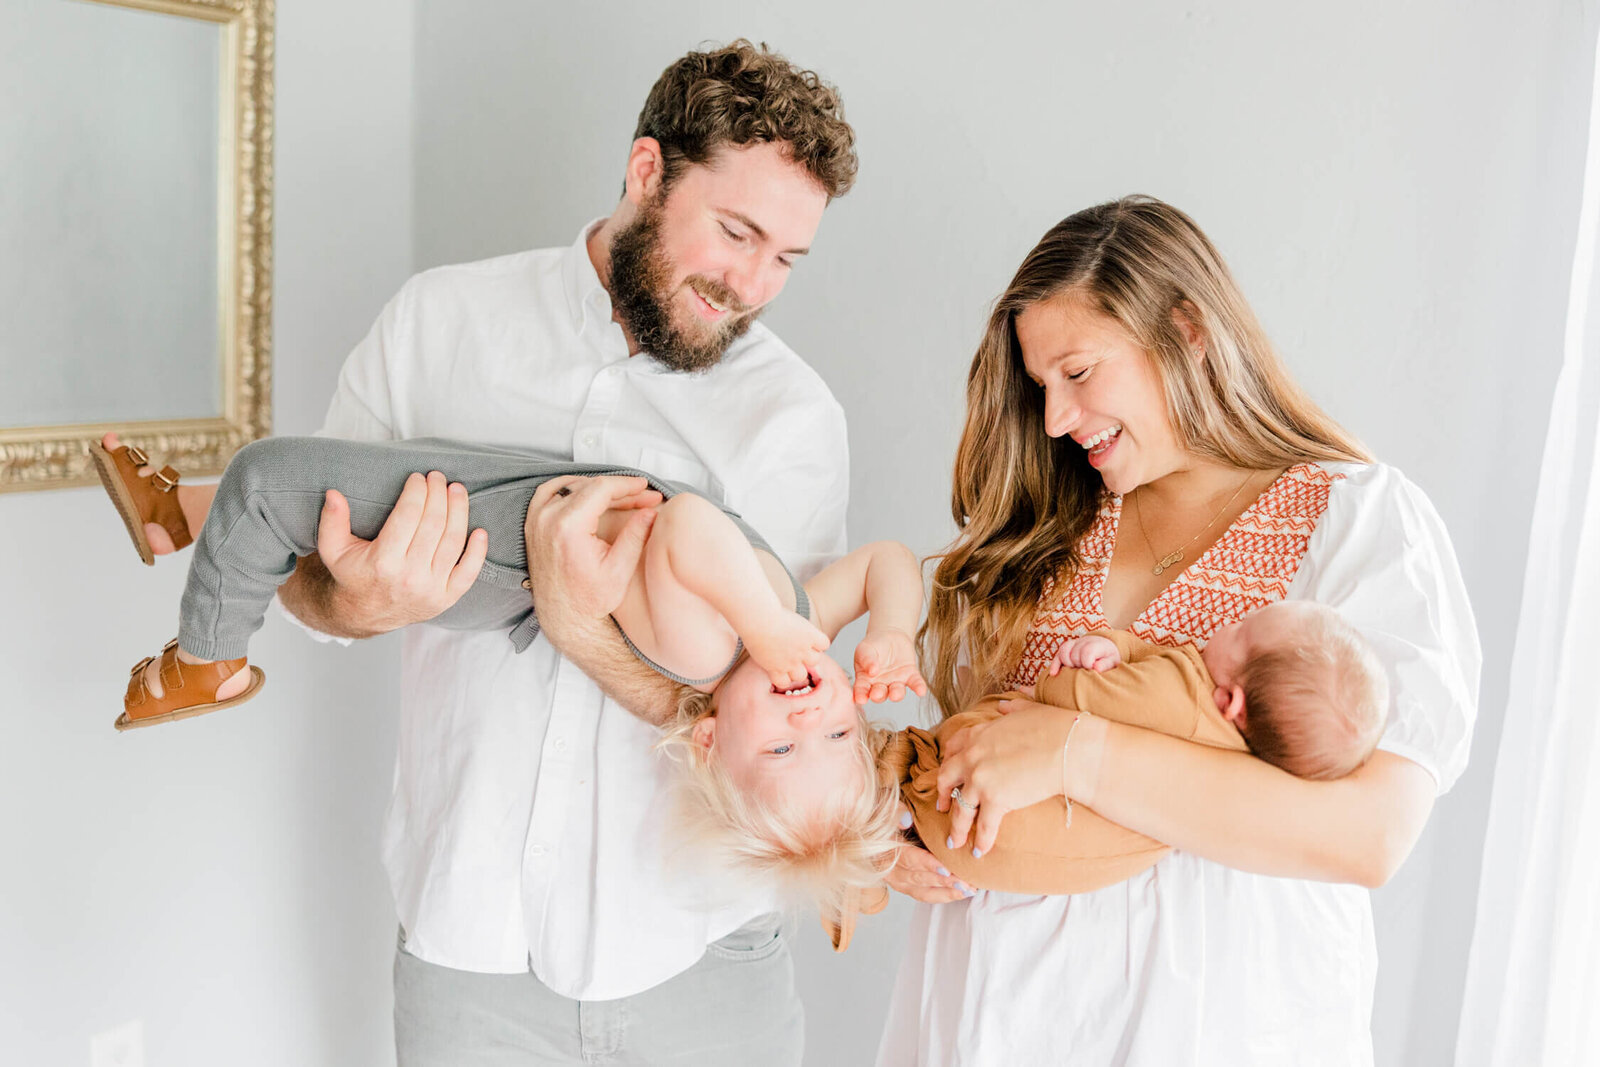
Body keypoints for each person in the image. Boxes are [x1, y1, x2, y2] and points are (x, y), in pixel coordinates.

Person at [224, 40, 883, 1066]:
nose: (752, 283)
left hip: (700, 952)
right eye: (736, 232)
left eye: (784, 259)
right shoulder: (437, 324)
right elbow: (308, 576)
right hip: (466, 946)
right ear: (646, 171)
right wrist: (359, 602)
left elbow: (759, 703)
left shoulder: (792, 417)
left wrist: (579, 626)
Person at [876, 196, 1481, 1065]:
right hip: (993, 1023)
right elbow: (970, 761)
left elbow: (1369, 834)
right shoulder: (1042, 532)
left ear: (1187, 328)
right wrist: (895, 830)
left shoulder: (1357, 521)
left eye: (1079, 373)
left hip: (1220, 1030)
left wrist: (1077, 750)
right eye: (1041, 385)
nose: (1053, 418)